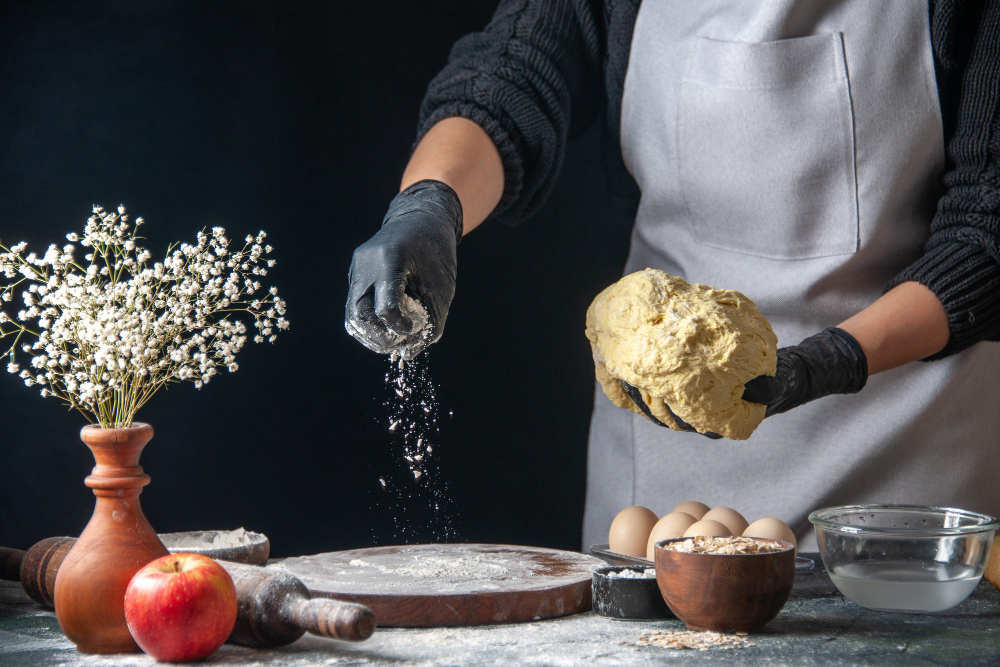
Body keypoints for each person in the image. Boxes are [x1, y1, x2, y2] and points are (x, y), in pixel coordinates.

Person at [346, 0, 1000, 549]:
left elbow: (985, 229)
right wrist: (430, 204)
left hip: (902, 480)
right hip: (663, 478)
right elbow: (511, 72)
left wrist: (825, 362)